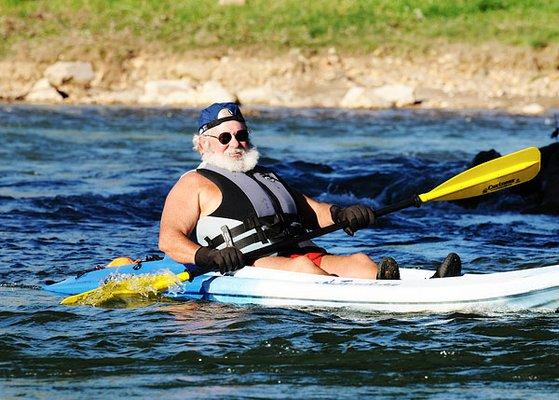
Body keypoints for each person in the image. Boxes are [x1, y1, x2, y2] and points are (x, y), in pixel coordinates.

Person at [159, 102, 461, 279]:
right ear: (203, 144)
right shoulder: (194, 183)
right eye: (224, 136)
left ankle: (420, 288)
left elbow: (314, 211)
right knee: (302, 267)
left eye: (241, 135)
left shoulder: (268, 176)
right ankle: (387, 300)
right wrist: (208, 256)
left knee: (359, 262)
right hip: (246, 265)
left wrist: (345, 214)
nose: (235, 143)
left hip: (300, 254)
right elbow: (169, 240)